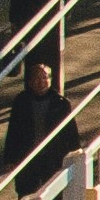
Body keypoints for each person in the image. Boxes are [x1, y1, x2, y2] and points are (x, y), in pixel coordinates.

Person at [12, 54, 79, 192]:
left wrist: (75, 151)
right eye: (37, 78)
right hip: (27, 154)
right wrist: (10, 159)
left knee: (53, 192)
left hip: (52, 156)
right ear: (30, 81)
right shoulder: (21, 101)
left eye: (45, 77)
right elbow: (13, 130)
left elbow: (70, 130)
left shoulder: (61, 103)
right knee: (26, 191)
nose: (41, 81)